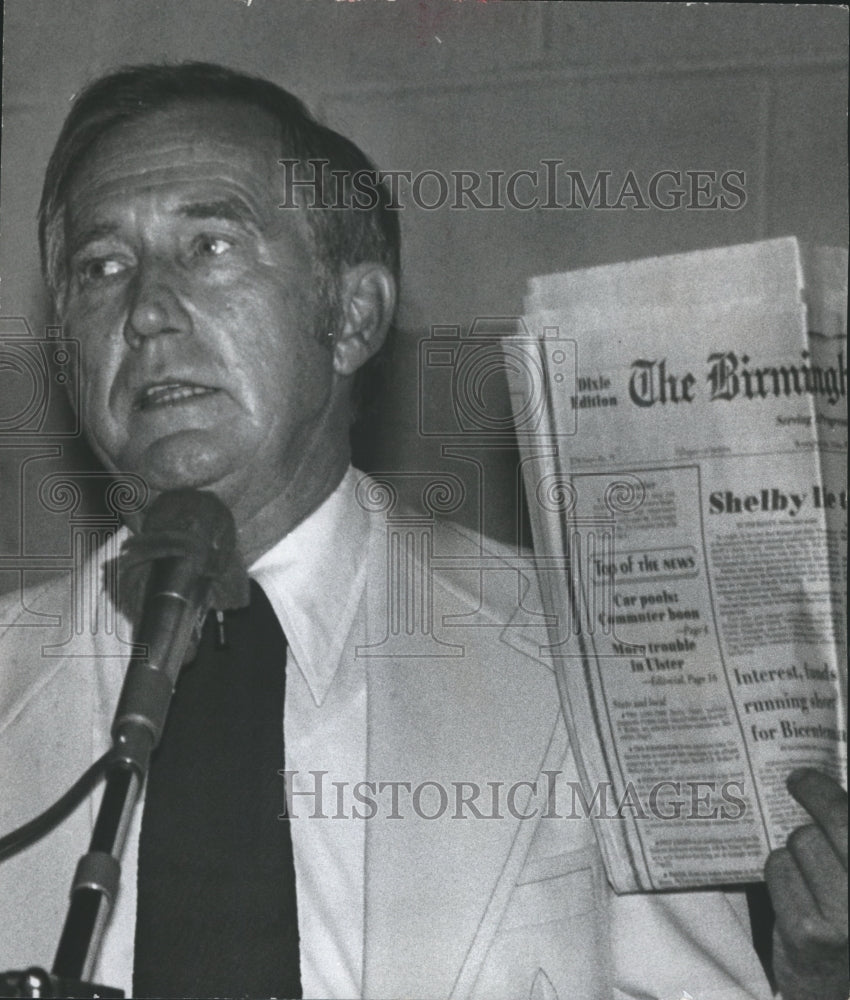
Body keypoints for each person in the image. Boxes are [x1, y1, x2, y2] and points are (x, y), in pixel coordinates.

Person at [0, 62, 846, 1000]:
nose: (147, 311)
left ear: (352, 316)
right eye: (102, 266)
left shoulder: (580, 659)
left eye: (210, 246)